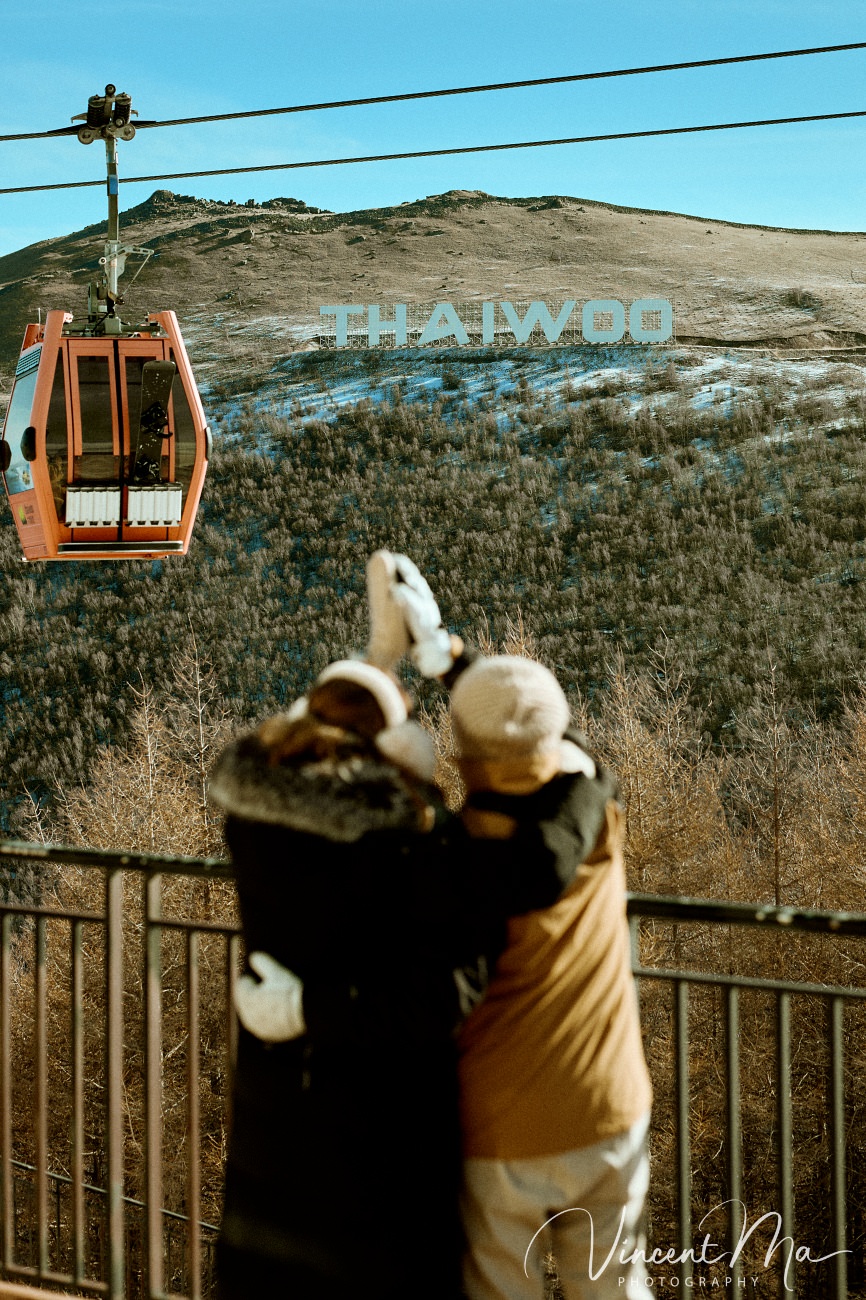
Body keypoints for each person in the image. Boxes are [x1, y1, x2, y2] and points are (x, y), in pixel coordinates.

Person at [207, 554, 601, 1300]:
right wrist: (579, 773)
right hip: (384, 1126)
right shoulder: (419, 854)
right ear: (393, 751)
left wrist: (377, 659)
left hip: (280, 1110)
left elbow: (300, 733)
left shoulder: (255, 820)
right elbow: (454, 980)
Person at [448, 654, 653, 1300]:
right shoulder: (598, 817)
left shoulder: (456, 856)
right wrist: (460, 667)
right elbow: (577, 758)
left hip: (499, 1128)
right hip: (609, 1108)